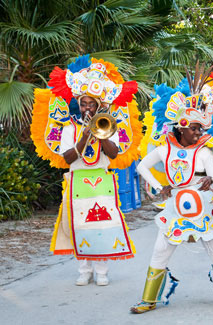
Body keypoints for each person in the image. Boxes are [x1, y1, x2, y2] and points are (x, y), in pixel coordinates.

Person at [130, 78, 213, 313]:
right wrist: (160, 188)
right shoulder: (164, 149)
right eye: (194, 128)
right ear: (180, 127)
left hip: (203, 206)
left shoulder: (204, 152)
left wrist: (212, 180)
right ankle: (148, 299)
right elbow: (142, 167)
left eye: (200, 128)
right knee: (161, 248)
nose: (198, 132)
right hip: (175, 207)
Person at [31, 55, 141, 286]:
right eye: (84, 104)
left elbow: (113, 154)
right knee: (79, 225)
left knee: (103, 225)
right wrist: (85, 136)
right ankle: (84, 270)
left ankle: (102, 271)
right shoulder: (70, 129)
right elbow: (68, 157)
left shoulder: (107, 125)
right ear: (78, 105)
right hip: (77, 182)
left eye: (92, 105)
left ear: (99, 106)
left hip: (101, 181)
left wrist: (99, 132)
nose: (88, 108)